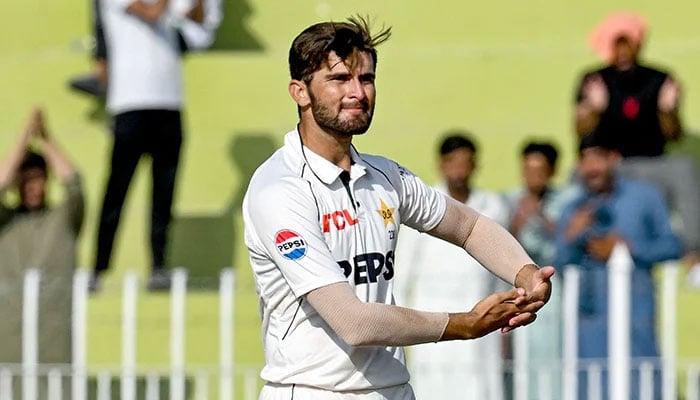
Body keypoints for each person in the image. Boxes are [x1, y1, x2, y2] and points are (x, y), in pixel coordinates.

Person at [242, 16, 554, 400]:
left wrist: (527, 275)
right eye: (340, 79)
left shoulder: (384, 175)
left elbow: (467, 226)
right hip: (313, 391)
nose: (358, 92)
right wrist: (464, 325)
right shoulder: (280, 189)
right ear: (300, 92)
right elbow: (354, 322)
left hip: (393, 391)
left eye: (367, 79)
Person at [554, 133, 683, 400]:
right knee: (591, 387)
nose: (592, 168)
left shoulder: (646, 197)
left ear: (614, 158)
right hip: (590, 322)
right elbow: (558, 265)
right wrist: (571, 235)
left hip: (637, 315)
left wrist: (628, 248)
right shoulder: (572, 209)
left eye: (598, 158)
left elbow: (673, 246)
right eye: (585, 161)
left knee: (642, 386)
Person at [574, 11, 700, 281]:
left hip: (651, 164)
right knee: (575, 176)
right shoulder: (594, 80)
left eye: (627, 43)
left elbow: (674, 135)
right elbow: (580, 133)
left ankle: (695, 255)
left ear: (637, 44)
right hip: (610, 164)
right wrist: (594, 109)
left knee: (685, 169)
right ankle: (568, 250)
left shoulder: (660, 79)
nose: (622, 51)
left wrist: (668, 110)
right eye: (616, 44)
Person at [92, 0, 200, 291]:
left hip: (169, 104)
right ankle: (98, 268)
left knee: (164, 193)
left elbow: (196, 20)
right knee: (117, 190)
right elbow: (152, 13)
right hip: (130, 103)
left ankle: (158, 266)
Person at [394, 133, 510, 400]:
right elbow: (402, 275)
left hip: (482, 317)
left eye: (465, 162)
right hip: (436, 322)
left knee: (481, 387)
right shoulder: (423, 205)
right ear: (441, 165)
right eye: (453, 162)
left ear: (475, 165)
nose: (459, 169)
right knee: (434, 388)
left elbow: (501, 268)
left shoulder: (492, 206)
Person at [0, 108, 84, 398]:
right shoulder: (6, 224)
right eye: (26, 179)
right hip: (8, 348)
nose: (33, 186)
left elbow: (75, 184)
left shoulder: (62, 220)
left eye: (38, 178)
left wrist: (46, 139)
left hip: (55, 345)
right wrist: (24, 139)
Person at [503, 140, 571, 399]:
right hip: (520, 291)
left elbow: (569, 241)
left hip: (556, 292)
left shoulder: (566, 200)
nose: (533, 177)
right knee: (520, 358)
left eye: (539, 170)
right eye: (528, 170)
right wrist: (518, 221)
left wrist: (542, 218)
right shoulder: (509, 201)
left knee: (553, 355)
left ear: (552, 171)